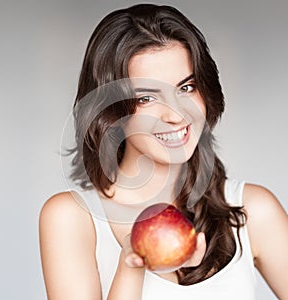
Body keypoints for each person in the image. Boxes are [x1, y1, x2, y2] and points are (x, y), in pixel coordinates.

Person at [39, 4, 288, 300]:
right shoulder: (72, 218)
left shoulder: (252, 210)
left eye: (186, 88)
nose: (176, 114)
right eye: (146, 97)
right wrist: (132, 264)